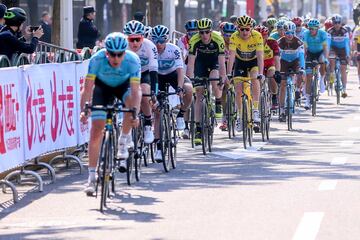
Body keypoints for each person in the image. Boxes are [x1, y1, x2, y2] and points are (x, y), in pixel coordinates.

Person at [80, 32, 142, 195]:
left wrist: (135, 114)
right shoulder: (97, 60)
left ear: (124, 52)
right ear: (106, 52)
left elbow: (136, 92)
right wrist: (84, 110)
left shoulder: (132, 60)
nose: (115, 58)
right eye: (112, 54)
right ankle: (92, 177)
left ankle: (123, 140)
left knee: (130, 104)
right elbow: (87, 89)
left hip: (123, 87)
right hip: (103, 88)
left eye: (119, 54)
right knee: (96, 131)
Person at [150, 25, 193, 160]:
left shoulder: (173, 49)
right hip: (157, 77)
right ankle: (158, 148)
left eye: (161, 40)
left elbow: (180, 70)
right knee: (158, 112)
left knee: (188, 89)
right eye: (155, 40)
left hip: (173, 74)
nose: (158, 44)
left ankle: (181, 114)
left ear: (167, 39)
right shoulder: (151, 50)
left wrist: (180, 88)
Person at [186, 18, 226, 145]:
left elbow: (221, 62)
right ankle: (198, 129)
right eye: (201, 32)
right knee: (198, 94)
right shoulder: (194, 40)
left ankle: (218, 102)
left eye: (206, 32)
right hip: (200, 63)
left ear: (211, 31)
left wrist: (223, 77)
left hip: (214, 62)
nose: (204, 35)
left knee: (215, 80)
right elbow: (191, 63)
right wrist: (190, 80)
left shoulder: (218, 39)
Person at [227, 15, 264, 132]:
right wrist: (228, 74)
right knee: (238, 89)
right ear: (238, 29)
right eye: (241, 29)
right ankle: (239, 116)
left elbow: (260, 56)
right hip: (240, 62)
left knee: (255, 78)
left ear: (251, 28)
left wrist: (261, 73)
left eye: (247, 29)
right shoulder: (234, 37)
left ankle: (255, 109)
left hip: (253, 62)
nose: (244, 32)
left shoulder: (257, 36)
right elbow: (231, 56)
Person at [124, 20, 158, 144]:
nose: (134, 43)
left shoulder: (150, 46)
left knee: (144, 92)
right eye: (131, 39)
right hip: (128, 74)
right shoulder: (122, 46)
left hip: (145, 73)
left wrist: (154, 92)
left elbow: (154, 71)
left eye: (137, 39)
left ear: (142, 37)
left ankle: (148, 124)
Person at [277, 21, 305, 122]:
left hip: (295, 62)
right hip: (283, 62)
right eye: (287, 33)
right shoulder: (279, 42)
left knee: (301, 74)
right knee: (283, 85)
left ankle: (297, 90)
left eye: (292, 33)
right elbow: (277, 57)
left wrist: (302, 68)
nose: (290, 35)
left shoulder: (298, 42)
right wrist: (277, 69)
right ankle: (281, 110)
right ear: (284, 32)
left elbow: (301, 56)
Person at [303, 18, 328, 110]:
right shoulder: (306, 34)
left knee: (322, 60)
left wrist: (326, 58)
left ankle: (322, 79)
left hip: (320, 52)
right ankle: (307, 99)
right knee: (309, 76)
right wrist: (304, 59)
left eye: (313, 29)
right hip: (310, 53)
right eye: (309, 28)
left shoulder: (322, 34)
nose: (311, 30)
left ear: (317, 28)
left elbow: (325, 48)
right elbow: (304, 48)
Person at [327, 14, 350, 98]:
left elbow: (347, 44)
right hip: (333, 49)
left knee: (343, 69)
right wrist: (327, 54)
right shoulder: (330, 31)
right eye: (335, 22)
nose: (337, 24)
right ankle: (332, 79)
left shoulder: (345, 31)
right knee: (332, 63)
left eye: (338, 22)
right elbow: (328, 44)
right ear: (333, 23)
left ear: (341, 23)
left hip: (343, 50)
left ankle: (344, 89)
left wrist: (348, 54)